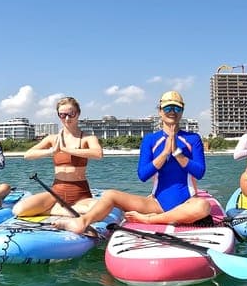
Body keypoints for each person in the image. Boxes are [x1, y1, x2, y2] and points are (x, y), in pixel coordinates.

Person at [54, 90, 211, 234]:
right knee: (110, 195)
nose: (172, 112)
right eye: (168, 108)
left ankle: (148, 220)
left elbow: (199, 172)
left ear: (182, 112)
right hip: (156, 204)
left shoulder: (193, 139)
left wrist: (177, 153)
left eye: (177, 109)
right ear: (160, 111)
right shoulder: (150, 140)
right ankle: (82, 222)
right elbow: (143, 175)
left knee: (202, 206)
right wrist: (164, 153)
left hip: (186, 204)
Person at [12, 97, 103, 216]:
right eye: (62, 115)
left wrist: (66, 149)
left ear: (78, 113)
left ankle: (56, 210)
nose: (67, 118)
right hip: (56, 192)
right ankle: (63, 210)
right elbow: (27, 155)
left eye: (71, 114)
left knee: (99, 208)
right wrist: (51, 151)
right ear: (58, 115)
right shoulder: (52, 139)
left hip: (80, 193)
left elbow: (98, 154)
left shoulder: (88, 138)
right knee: (18, 210)